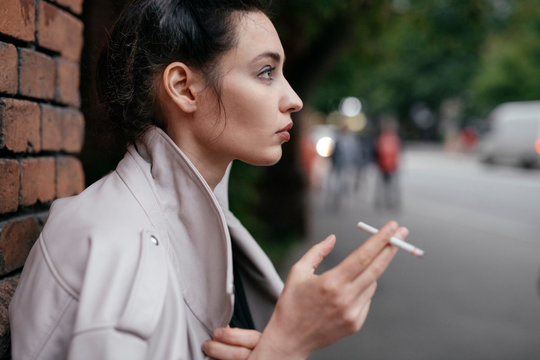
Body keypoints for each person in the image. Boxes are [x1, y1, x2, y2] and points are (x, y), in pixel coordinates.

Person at [9, 1, 409, 359]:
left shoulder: (213, 228)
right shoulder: (108, 239)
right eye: (266, 71)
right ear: (184, 88)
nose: (294, 98)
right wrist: (287, 344)